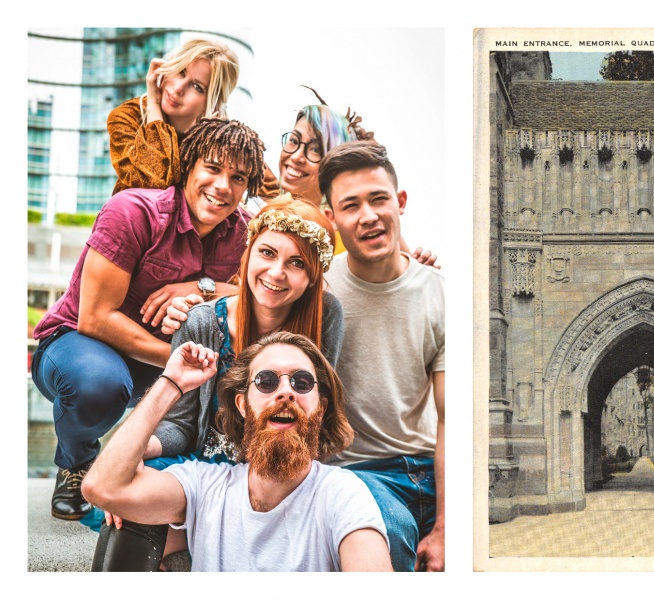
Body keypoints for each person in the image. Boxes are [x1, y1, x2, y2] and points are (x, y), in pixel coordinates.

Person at [88, 196, 344, 570]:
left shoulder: (327, 315)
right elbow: (180, 424)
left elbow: (319, 418)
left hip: (279, 468)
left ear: (312, 278)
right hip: (203, 466)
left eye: (297, 263)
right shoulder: (202, 322)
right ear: (248, 255)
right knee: (127, 512)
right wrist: (141, 448)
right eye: (268, 253)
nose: (276, 273)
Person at [31, 117, 267, 521]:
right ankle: (75, 461)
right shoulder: (132, 212)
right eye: (212, 168)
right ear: (189, 165)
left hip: (160, 361)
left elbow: (264, 287)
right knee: (99, 386)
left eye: (238, 177)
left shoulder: (247, 233)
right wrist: (180, 362)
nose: (224, 186)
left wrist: (202, 285)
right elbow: (95, 318)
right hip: (78, 345)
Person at [82, 333, 392, 572]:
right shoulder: (204, 485)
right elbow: (102, 487)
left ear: (321, 409)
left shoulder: (343, 494)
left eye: (302, 382)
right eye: (267, 381)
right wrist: (171, 383)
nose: (286, 391)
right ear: (243, 406)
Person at [317, 141, 445, 571]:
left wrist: (445, 527)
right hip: (360, 473)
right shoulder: (318, 292)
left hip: (432, 466)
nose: (368, 216)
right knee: (390, 538)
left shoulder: (439, 292)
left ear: (400, 202)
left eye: (378, 199)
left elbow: (450, 419)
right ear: (332, 219)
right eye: (350, 206)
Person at [265, 87, 436, 266]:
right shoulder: (267, 216)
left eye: (315, 150)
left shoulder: (355, 223)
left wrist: (423, 272)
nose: (297, 156)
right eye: (293, 141)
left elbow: (411, 272)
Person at [108, 38, 279, 198]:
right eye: (181, 72)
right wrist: (153, 105)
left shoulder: (219, 139)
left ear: (212, 101)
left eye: (197, 87)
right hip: (131, 225)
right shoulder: (128, 117)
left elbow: (275, 194)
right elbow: (153, 182)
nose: (179, 88)